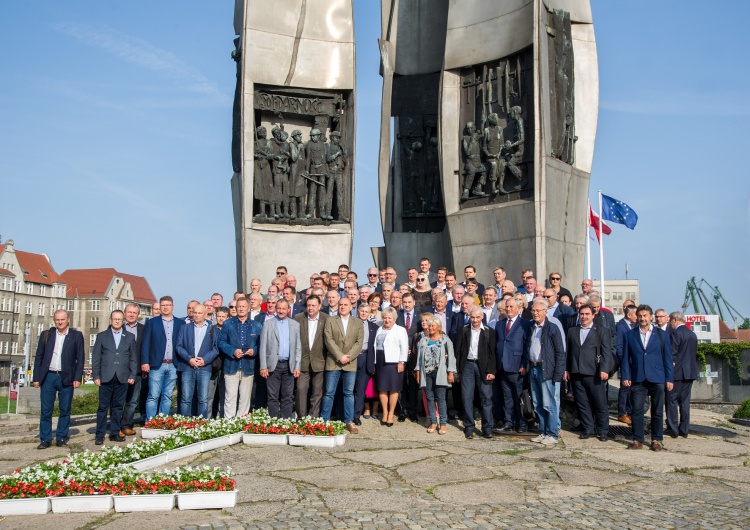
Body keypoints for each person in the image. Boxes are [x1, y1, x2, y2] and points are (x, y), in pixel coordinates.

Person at [622, 305, 674, 451]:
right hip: (638, 377)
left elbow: (668, 358)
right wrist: (625, 375)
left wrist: (669, 379)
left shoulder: (661, 335)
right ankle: (637, 439)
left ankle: (656, 439)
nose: (643, 318)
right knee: (636, 410)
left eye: (645, 315)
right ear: (637, 317)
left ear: (651, 317)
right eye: (640, 316)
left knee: (657, 410)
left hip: (657, 376)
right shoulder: (630, 335)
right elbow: (625, 358)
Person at [32, 310, 85, 449]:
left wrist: (77, 377)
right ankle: (45, 439)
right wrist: (36, 377)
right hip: (48, 376)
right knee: (46, 410)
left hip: (66, 376)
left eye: (62, 319)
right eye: (57, 320)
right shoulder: (47, 335)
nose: (60, 322)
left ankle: (61, 437)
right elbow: (39, 357)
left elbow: (80, 359)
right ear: (54, 320)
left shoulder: (76, 336)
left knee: (64, 409)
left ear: (68, 319)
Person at [564, 303, 612, 442]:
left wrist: (604, 369)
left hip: (594, 372)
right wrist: (567, 369)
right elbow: (568, 352)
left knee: (600, 403)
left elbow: (606, 352)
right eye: (582, 314)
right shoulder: (572, 331)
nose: (584, 317)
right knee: (582, 403)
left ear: (593, 315)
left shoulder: (601, 331)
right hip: (576, 372)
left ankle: (603, 430)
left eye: (587, 314)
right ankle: (588, 428)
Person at [92, 310, 136, 445]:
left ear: (123, 321)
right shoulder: (102, 336)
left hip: (122, 376)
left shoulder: (129, 337)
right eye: (115, 319)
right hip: (106, 376)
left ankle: (114, 432)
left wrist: (132, 374)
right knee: (103, 407)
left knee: (118, 407)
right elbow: (96, 357)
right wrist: (96, 375)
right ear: (110, 320)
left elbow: (133, 358)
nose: (117, 321)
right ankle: (99, 434)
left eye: (119, 319)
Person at [527, 299, 565, 445]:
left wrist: (558, 374)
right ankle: (542, 432)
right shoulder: (532, 326)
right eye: (533, 310)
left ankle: (552, 434)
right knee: (537, 403)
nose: (535, 313)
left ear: (545, 311)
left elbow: (560, 352)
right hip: (533, 368)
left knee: (549, 404)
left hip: (547, 370)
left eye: (538, 311)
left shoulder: (552, 328)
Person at [322, 297, 363, 433]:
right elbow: (329, 340)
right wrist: (340, 356)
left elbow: (359, 343)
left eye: (346, 305)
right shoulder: (330, 320)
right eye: (341, 305)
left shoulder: (357, 322)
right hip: (333, 362)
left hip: (350, 363)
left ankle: (349, 421)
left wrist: (347, 357)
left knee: (348, 393)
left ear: (351, 307)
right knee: (329, 393)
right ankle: (324, 421)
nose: (343, 307)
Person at [141, 296, 185, 421]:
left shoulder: (180, 323)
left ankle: (162, 422)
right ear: (160, 307)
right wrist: (145, 361)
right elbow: (145, 343)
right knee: (153, 395)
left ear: (173, 306)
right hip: (156, 364)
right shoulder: (152, 322)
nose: (165, 307)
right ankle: (150, 422)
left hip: (173, 364)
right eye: (163, 305)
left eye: (168, 305)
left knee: (167, 396)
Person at [455, 306, 497, 439]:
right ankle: (469, 426)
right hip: (467, 365)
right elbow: (458, 350)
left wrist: (491, 370)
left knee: (486, 397)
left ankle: (487, 427)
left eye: (478, 317)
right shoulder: (463, 330)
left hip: (483, 367)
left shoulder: (489, 332)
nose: (475, 320)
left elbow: (492, 353)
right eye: (472, 317)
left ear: (482, 317)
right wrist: (457, 370)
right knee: (467, 397)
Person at [218, 297, 262, 418]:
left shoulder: (256, 326)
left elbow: (261, 344)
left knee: (245, 398)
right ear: (236, 308)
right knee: (230, 397)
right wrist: (232, 351)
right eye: (239, 306)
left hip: (248, 366)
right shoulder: (227, 324)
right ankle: (228, 425)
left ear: (249, 308)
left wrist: (254, 351)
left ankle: (240, 423)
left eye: (243, 306)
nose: (241, 309)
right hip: (231, 365)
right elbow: (221, 342)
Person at [259, 299, 302, 419]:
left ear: (288, 309)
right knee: (272, 396)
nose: (281, 311)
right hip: (273, 365)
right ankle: (273, 421)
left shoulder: (295, 325)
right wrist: (263, 366)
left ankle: (285, 421)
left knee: (288, 396)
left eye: (284, 308)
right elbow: (263, 346)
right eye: (279, 308)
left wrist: (297, 366)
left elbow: (298, 347)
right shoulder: (268, 324)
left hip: (289, 365)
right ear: (275, 309)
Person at [414, 316, 456, 435]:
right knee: (429, 398)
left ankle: (442, 423)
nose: (431, 328)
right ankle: (433, 421)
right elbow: (419, 359)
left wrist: (451, 373)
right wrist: (417, 372)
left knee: (441, 398)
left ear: (439, 327)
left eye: (433, 326)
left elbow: (451, 358)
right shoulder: (423, 340)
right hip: (426, 373)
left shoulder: (445, 340)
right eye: (429, 325)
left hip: (440, 373)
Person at [494, 298, 531, 433]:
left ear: (518, 308)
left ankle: (522, 423)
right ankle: (509, 422)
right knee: (507, 397)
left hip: (517, 367)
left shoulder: (525, 324)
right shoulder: (500, 324)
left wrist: (524, 365)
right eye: (506, 306)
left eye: (511, 306)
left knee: (519, 397)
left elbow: (527, 346)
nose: (508, 309)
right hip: (503, 366)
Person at [176, 304, 219, 419]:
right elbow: (179, 346)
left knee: (203, 399)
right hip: (187, 367)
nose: (196, 315)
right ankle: (184, 424)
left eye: (199, 313)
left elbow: (216, 348)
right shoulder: (185, 328)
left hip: (204, 367)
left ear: (205, 314)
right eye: (195, 313)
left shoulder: (212, 329)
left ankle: (202, 425)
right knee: (186, 398)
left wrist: (205, 360)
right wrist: (189, 358)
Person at [374, 306, 409, 427]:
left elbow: (404, 346)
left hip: (394, 362)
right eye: (385, 317)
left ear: (394, 319)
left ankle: (391, 414)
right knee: (382, 388)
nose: (387, 320)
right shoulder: (379, 329)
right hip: (380, 361)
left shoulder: (400, 330)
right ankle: (384, 412)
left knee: (394, 388)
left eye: (389, 318)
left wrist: (401, 362)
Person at [666, 311, 698, 438]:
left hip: (677, 373)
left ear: (675, 320)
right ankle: (684, 429)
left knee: (672, 400)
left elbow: (672, 354)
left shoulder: (676, 333)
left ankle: (673, 430)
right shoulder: (692, 334)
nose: (670, 324)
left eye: (670, 322)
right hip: (690, 373)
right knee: (685, 402)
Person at [120, 303, 145, 436]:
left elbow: (145, 349)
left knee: (132, 400)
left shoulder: (143, 328)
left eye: (134, 313)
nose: (131, 314)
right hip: (119, 369)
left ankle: (126, 425)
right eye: (129, 312)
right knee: (118, 399)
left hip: (136, 370)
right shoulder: (117, 327)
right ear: (125, 313)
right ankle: (116, 425)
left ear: (138, 315)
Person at [397, 292, 421, 422]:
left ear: (414, 303)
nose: (407, 304)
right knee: (401, 384)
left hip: (414, 355)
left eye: (409, 302)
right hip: (400, 355)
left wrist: (413, 349)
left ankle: (412, 411)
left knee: (412, 384)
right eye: (404, 302)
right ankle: (403, 410)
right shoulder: (398, 315)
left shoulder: (419, 316)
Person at [353, 303, 379, 425]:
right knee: (348, 388)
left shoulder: (373, 327)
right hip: (352, 357)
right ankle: (344, 413)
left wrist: (373, 363)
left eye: (366, 311)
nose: (364, 313)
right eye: (362, 311)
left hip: (365, 358)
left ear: (369, 313)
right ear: (358, 311)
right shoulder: (351, 324)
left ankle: (356, 414)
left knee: (360, 388)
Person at [615, 305, 638, 425]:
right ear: (629, 315)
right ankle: (622, 413)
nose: (638, 317)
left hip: (634, 362)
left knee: (632, 388)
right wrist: (624, 360)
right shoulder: (620, 327)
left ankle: (629, 411)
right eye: (636, 314)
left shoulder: (634, 326)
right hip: (626, 363)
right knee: (625, 388)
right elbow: (618, 347)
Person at [207, 306, 229, 418]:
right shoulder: (210, 329)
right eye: (219, 316)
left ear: (227, 317)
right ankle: (207, 419)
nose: (221, 319)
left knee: (223, 394)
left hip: (226, 365)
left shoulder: (230, 329)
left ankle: (221, 418)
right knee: (209, 395)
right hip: (213, 365)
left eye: (223, 317)